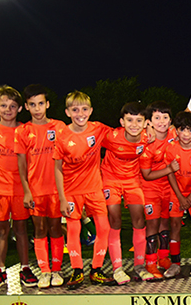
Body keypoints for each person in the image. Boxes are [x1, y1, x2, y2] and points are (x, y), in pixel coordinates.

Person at [53, 90, 113, 288]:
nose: (80, 113)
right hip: (71, 192)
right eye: (75, 109)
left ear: (91, 110)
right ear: (67, 112)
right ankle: (77, 270)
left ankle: (96, 269)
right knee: (73, 228)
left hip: (95, 188)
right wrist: (62, 198)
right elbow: (57, 168)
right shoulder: (62, 136)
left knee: (104, 228)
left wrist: (149, 130)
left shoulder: (98, 129)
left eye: (84, 109)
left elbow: (122, 134)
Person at [0, 85, 36, 290]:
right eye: (3, 105)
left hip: (20, 189)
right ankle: (0, 270)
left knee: (21, 229)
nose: (8, 109)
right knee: (1, 229)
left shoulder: (26, 131)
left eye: (12, 106)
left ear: (20, 109)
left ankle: (25, 268)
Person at [15, 84, 68, 288]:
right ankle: (44, 271)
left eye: (40, 104)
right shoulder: (23, 131)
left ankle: (56, 270)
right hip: (36, 191)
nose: (37, 108)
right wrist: (27, 191)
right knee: (39, 229)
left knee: (55, 228)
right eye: (32, 104)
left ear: (47, 104)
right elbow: (21, 164)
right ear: (26, 107)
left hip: (56, 190)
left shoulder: (59, 127)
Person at [100, 102, 154, 285]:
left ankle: (139, 266)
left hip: (132, 180)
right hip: (110, 179)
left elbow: (168, 130)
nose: (134, 124)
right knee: (114, 219)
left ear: (146, 123)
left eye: (139, 120)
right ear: (122, 122)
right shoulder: (111, 136)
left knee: (139, 219)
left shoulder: (147, 137)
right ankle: (117, 268)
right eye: (129, 120)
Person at [162, 111, 191, 279]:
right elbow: (170, 174)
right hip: (176, 191)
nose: (186, 134)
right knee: (175, 225)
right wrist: (180, 197)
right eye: (182, 130)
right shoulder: (171, 148)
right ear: (176, 131)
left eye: (190, 130)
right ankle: (175, 263)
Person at [139, 101, 179, 280]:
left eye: (165, 117)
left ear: (170, 120)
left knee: (165, 223)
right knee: (152, 225)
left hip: (168, 187)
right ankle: (150, 263)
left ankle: (163, 258)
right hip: (150, 188)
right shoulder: (146, 140)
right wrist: (170, 169)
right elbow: (147, 175)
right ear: (149, 121)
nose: (161, 121)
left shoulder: (173, 133)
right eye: (157, 118)